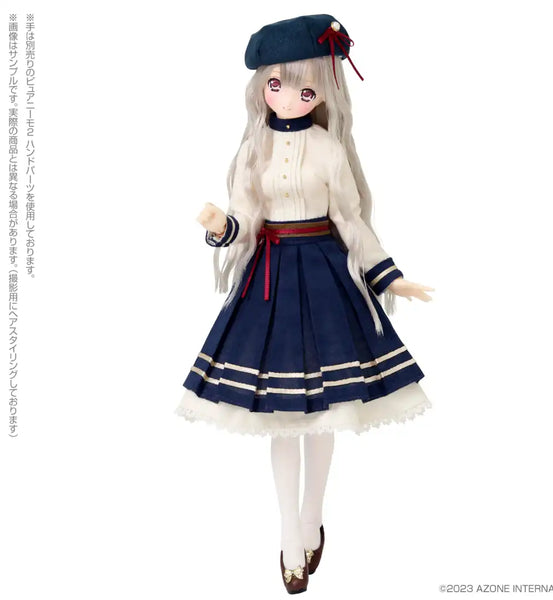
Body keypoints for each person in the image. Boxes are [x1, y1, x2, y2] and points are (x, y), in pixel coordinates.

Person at [175, 14, 434, 594]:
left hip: (324, 276)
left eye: (305, 89)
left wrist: (390, 277)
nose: (289, 98)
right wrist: (222, 227)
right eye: (277, 84)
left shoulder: (327, 148)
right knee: (282, 417)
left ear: (323, 94)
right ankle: (289, 534)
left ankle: (313, 515)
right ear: (260, 86)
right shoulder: (254, 150)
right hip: (268, 282)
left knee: (326, 411)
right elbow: (246, 219)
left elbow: (351, 220)